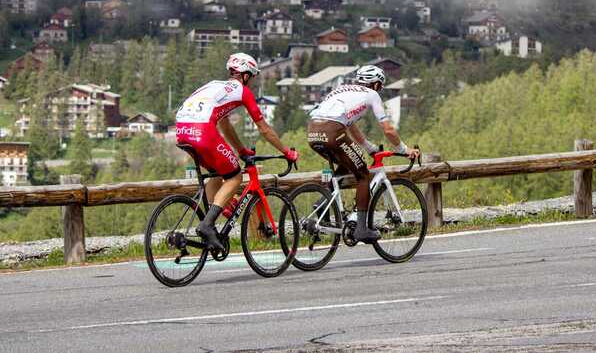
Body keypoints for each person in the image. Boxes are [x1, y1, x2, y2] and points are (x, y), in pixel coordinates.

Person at [176, 53, 299, 251]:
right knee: (234, 177)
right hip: (202, 130)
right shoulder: (242, 91)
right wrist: (286, 151)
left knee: (218, 174)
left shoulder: (215, 85)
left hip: (182, 131)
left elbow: (224, 125)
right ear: (246, 75)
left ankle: (205, 223)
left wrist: (241, 149)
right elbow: (264, 129)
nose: (252, 81)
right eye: (252, 77)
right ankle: (207, 225)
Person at [307, 64, 420, 242]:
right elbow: (388, 130)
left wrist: (370, 148)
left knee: (347, 164)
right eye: (380, 86)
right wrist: (404, 150)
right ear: (375, 84)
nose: (380, 90)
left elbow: (351, 126)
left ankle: (322, 203)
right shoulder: (371, 94)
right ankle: (361, 229)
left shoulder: (342, 89)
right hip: (333, 131)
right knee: (363, 175)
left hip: (313, 132)